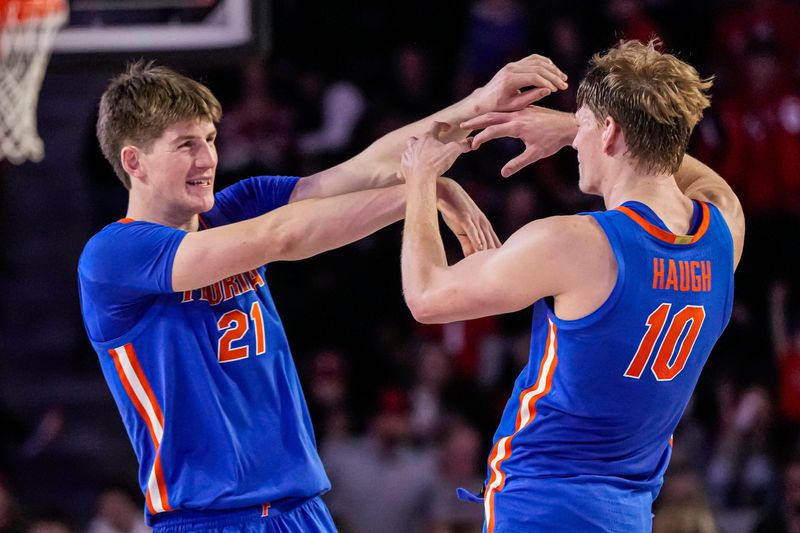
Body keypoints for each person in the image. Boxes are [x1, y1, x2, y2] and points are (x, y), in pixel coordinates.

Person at [77, 55, 568, 532]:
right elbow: (282, 236)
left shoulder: (236, 207)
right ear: (133, 162)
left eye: (209, 139)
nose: (207, 158)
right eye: (185, 145)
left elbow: (370, 167)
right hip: (209, 518)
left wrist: (477, 105)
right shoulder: (114, 256)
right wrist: (424, 193)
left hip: (301, 509)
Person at [400, 39, 745, 532]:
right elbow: (706, 181)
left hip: (543, 501)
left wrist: (420, 181)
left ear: (608, 132)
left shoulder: (575, 242)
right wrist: (580, 128)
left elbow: (425, 296)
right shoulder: (724, 233)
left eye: (580, 125)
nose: (574, 140)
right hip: (628, 510)